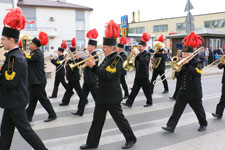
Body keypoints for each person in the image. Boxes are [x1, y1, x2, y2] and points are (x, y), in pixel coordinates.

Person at [80, 20, 136, 150]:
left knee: (120, 120)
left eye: (104, 47)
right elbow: (102, 73)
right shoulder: (107, 58)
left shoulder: (117, 59)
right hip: (102, 95)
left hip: (111, 96)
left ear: (112, 47)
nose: (102, 49)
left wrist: (93, 65)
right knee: (97, 121)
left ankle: (131, 138)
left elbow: (106, 75)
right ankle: (92, 143)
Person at [0, 7, 48, 150]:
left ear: (11, 39)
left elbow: (9, 82)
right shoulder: (14, 56)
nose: (1, 42)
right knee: (6, 132)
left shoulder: (14, 58)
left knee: (26, 131)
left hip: (15, 101)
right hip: (13, 101)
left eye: (3, 39)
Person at [162, 32, 208, 133]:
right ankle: (170, 126)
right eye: (183, 54)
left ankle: (203, 123)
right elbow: (180, 76)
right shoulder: (182, 63)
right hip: (183, 90)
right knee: (177, 109)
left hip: (194, 92)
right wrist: (178, 68)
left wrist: (186, 64)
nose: (184, 56)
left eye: (186, 54)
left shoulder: (198, 62)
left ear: (191, 55)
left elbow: (196, 73)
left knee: (198, 110)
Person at [25, 31, 57, 122]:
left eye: (31, 44)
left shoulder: (37, 53)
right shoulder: (34, 53)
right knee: (32, 100)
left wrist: (21, 52)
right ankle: (28, 116)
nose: (29, 45)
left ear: (35, 46)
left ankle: (52, 115)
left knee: (43, 99)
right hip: (35, 81)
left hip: (38, 81)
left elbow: (28, 59)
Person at [72, 29, 99, 116]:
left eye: (89, 45)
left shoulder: (95, 55)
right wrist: (79, 58)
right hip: (87, 79)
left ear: (94, 47)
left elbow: (89, 65)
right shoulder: (89, 54)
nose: (88, 47)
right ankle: (80, 111)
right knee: (83, 97)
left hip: (92, 80)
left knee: (97, 98)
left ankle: (101, 111)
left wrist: (82, 59)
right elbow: (84, 64)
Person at [122, 33, 152, 107]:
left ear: (144, 46)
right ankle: (129, 103)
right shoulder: (139, 54)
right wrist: (130, 64)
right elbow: (136, 63)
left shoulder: (147, 54)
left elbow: (144, 62)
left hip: (144, 75)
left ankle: (149, 102)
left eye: (140, 46)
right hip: (138, 75)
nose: (139, 48)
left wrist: (136, 55)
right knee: (134, 90)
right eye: (138, 46)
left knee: (147, 91)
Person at [59, 38, 83, 106]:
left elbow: (78, 64)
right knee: (69, 90)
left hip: (75, 77)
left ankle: (84, 100)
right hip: (70, 76)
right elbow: (67, 65)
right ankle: (65, 101)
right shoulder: (69, 58)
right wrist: (67, 60)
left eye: (70, 52)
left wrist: (76, 58)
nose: (69, 54)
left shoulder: (77, 58)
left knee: (78, 90)